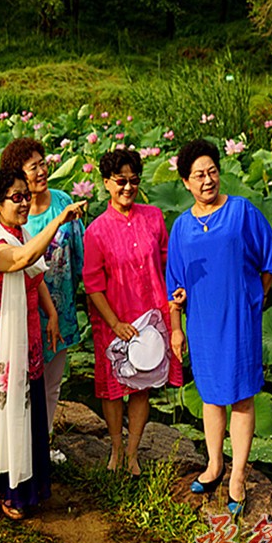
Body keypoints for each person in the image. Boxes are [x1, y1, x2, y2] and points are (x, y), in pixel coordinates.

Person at [166, 139, 272, 517]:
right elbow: (174, 286)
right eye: (199, 175)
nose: (207, 180)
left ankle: (238, 474)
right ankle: (215, 464)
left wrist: (255, 299)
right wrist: (176, 327)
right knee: (211, 394)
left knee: (242, 395)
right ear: (186, 182)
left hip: (239, 318)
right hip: (201, 322)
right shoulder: (181, 227)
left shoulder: (241, 211)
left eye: (212, 171)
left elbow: (270, 258)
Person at [0, 168, 86, 519]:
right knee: (7, 414)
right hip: (0, 348)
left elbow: (35, 274)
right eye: (16, 198)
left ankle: (12, 480)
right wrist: (58, 219)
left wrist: (52, 313)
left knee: (27, 411)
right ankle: (4, 488)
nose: (25, 203)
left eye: (26, 196)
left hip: (25, 338)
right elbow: (24, 259)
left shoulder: (21, 234)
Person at [82, 149, 183, 477]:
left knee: (143, 386)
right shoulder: (96, 230)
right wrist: (114, 323)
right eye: (121, 181)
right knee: (113, 389)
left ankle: (132, 452)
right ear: (106, 183)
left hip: (150, 315)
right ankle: (115, 450)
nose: (128, 187)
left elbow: (168, 264)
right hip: (113, 318)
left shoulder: (154, 217)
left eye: (134, 181)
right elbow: (92, 284)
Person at [0, 138, 84, 463]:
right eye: (33, 166)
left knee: (51, 384)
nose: (42, 171)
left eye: (43, 163)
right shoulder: (16, 217)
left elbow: (80, 252)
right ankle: (17, 447)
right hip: (25, 310)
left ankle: (42, 445)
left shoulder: (63, 201)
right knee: (22, 383)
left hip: (60, 308)